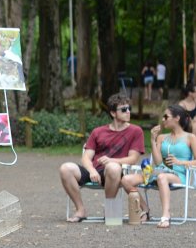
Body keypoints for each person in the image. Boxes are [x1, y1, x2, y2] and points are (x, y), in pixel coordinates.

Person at [58, 94, 145, 222]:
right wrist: (92, 171)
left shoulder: (136, 131)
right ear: (113, 113)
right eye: (123, 109)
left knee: (112, 168)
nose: (128, 112)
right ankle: (80, 210)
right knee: (65, 168)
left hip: (116, 173)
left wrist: (112, 161)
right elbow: (86, 157)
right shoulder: (98, 132)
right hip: (95, 171)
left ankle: (109, 210)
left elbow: (133, 158)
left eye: (129, 108)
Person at [120, 104, 195, 228]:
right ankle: (145, 209)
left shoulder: (190, 137)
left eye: (166, 117)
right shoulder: (162, 137)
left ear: (177, 118)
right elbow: (158, 161)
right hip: (160, 171)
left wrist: (180, 162)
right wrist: (153, 140)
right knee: (126, 179)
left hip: (179, 174)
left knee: (162, 177)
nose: (163, 119)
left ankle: (166, 215)